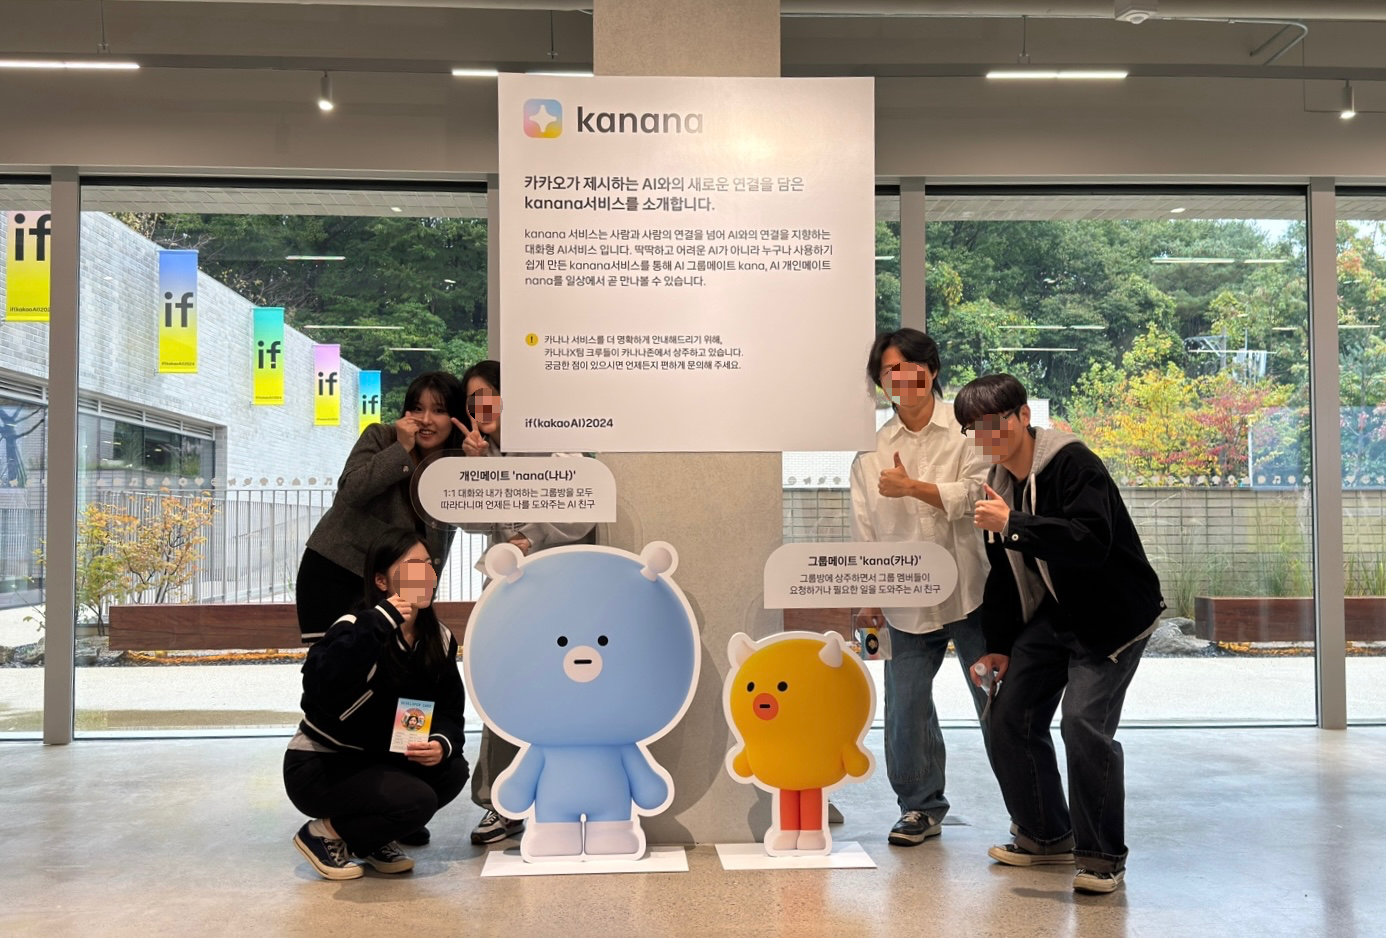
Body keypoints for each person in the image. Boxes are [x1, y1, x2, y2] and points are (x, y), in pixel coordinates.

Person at [953, 373, 1165, 895]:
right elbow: (1003, 575)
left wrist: (1014, 524)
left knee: (1082, 723)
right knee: (1007, 714)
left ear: (1023, 417)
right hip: (1057, 612)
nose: (985, 438)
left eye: (993, 424)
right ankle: (1046, 834)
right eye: (973, 430)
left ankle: (1101, 857)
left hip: (1113, 615)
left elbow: (1090, 543)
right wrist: (998, 646)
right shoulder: (997, 483)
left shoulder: (1074, 464)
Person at [849, 329, 992, 847]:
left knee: (998, 705)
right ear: (880, 381)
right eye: (890, 370)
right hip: (904, 599)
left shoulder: (968, 431)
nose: (901, 378)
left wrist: (912, 487)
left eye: (910, 367)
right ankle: (920, 807)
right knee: (905, 710)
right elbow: (864, 530)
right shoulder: (871, 451)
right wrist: (868, 598)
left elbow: (977, 495)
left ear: (931, 370)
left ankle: (1034, 814)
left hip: (972, 593)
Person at [455, 359, 597, 846]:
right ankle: (500, 802)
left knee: (563, 686)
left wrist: (529, 537)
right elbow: (473, 522)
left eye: (488, 395)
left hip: (557, 587)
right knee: (501, 685)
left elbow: (581, 507)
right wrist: (479, 469)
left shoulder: (551, 442)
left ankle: (567, 795)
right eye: (472, 401)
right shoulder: (484, 451)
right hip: (506, 588)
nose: (481, 407)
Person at [284, 527, 470, 881]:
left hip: (382, 760)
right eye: (412, 567)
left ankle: (371, 839)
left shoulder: (439, 637)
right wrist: (381, 621)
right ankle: (322, 833)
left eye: (428, 566)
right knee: (416, 800)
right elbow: (319, 687)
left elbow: (449, 709)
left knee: (452, 771)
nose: (425, 576)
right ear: (382, 581)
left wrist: (440, 742)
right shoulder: (355, 626)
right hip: (323, 765)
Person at [295, 371, 468, 646]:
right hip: (337, 571)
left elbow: (442, 539)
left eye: (439, 410)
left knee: (397, 661)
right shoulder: (380, 437)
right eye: (417, 409)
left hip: (396, 584)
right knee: (336, 663)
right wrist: (401, 450)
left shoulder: (452, 466)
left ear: (455, 418)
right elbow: (350, 491)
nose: (426, 420)